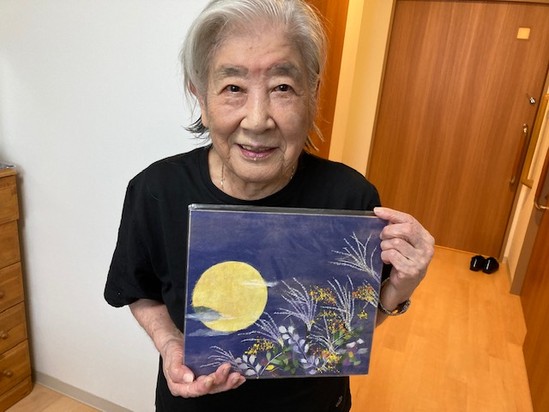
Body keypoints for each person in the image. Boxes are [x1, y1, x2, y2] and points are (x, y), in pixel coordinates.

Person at [104, 0, 435, 411]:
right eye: (233, 88)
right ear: (201, 97)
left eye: (282, 87)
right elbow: (139, 289)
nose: (257, 120)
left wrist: (400, 287)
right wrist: (169, 341)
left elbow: (351, 325)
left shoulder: (350, 198)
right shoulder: (156, 190)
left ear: (312, 93)